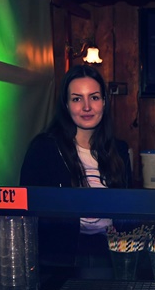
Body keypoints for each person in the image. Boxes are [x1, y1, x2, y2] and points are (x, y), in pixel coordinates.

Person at [20, 65, 131, 268]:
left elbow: (128, 210)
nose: (86, 107)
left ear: (104, 102)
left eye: (94, 97)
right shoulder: (44, 149)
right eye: (77, 99)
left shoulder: (120, 150)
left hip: (111, 252)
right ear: (66, 105)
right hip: (60, 258)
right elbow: (27, 211)